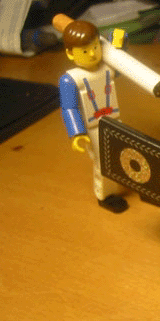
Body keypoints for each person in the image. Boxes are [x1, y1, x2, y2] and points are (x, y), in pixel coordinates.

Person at [59, 20, 128, 213]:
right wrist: (77, 132)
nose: (92, 54)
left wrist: (120, 40)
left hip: (115, 120)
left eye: (95, 47)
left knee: (121, 156)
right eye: (84, 51)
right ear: (70, 53)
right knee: (104, 162)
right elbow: (69, 108)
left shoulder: (107, 68)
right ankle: (105, 195)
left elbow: (123, 64)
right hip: (95, 127)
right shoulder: (70, 80)